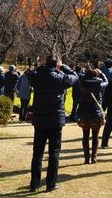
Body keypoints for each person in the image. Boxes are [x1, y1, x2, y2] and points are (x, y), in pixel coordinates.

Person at [29, 56, 78, 193]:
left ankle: (34, 184)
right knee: (54, 153)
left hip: (40, 119)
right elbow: (74, 76)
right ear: (56, 64)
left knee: (37, 153)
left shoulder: (37, 77)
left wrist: (42, 67)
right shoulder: (60, 78)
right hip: (55, 119)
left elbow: (31, 75)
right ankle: (51, 184)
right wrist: (63, 67)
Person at [76, 67, 108, 164]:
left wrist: (87, 74)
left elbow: (79, 80)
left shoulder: (82, 85)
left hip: (84, 114)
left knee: (85, 135)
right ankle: (94, 157)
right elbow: (107, 81)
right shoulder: (99, 85)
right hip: (96, 114)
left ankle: (86, 158)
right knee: (95, 136)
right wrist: (101, 73)